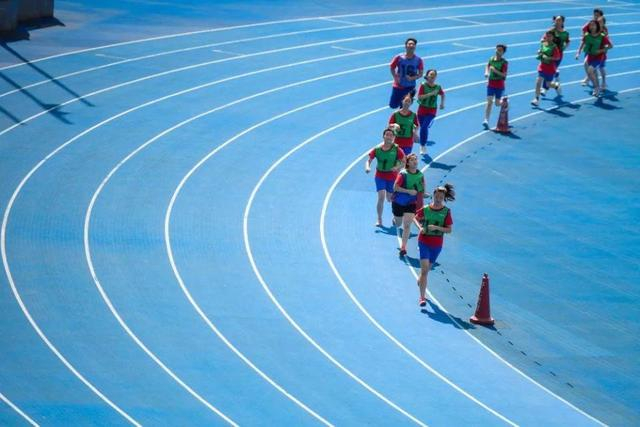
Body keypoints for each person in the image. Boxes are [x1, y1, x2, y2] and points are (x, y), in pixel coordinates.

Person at [413, 184, 454, 307]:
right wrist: (420, 228)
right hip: (424, 242)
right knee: (425, 271)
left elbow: (449, 230)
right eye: (437, 196)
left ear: (444, 198)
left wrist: (436, 227)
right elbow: (415, 218)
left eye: (441, 197)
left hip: (436, 245)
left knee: (426, 271)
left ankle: (421, 279)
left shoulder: (446, 212)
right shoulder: (426, 209)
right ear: (433, 195)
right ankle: (422, 297)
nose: (438, 199)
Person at [365, 127, 406, 227]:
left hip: (392, 176)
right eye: (387, 134)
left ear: (394, 137)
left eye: (391, 135)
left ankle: (396, 214)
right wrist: (367, 167)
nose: (389, 137)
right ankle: (379, 219)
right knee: (381, 197)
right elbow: (368, 160)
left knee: (389, 198)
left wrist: (397, 167)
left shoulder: (397, 150)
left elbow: (404, 162)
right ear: (383, 136)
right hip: (380, 175)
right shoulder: (377, 149)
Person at [392, 153, 425, 257]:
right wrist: (408, 191)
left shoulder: (420, 175)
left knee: (407, 225)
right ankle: (395, 220)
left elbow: (422, 189)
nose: (415, 161)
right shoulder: (403, 174)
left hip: (411, 203)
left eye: (416, 159)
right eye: (412, 160)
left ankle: (403, 247)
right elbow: (395, 187)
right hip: (398, 202)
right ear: (407, 163)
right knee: (398, 224)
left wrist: (423, 194)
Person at [575, 20, 612, 97]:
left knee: (590, 70)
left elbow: (610, 46)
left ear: (597, 26)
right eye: (590, 25)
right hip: (590, 56)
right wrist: (578, 52)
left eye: (593, 25)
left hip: (599, 57)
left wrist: (601, 50)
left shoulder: (602, 36)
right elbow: (582, 43)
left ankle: (598, 86)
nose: (591, 27)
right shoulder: (587, 35)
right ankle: (596, 87)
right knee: (591, 72)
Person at [416, 69, 445, 155]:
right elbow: (419, 97)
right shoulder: (423, 85)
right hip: (422, 109)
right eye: (431, 74)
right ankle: (423, 143)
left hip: (432, 110)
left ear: (436, 77)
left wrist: (442, 104)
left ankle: (422, 145)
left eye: (434, 75)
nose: (432, 76)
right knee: (423, 127)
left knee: (424, 127)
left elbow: (442, 94)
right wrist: (431, 94)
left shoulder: (438, 87)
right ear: (427, 76)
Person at [389, 38, 424, 109]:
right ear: (405, 46)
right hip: (398, 86)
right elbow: (392, 67)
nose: (411, 45)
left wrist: (412, 78)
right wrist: (395, 77)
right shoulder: (399, 57)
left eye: (413, 44)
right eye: (409, 44)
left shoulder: (418, 60)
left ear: (415, 47)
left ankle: (404, 106)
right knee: (393, 105)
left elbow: (421, 73)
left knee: (404, 106)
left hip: (410, 87)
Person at [531, 30, 561, 106]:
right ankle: (536, 99)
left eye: (550, 36)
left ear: (553, 37)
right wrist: (539, 52)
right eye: (547, 36)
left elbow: (557, 57)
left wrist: (549, 58)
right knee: (538, 82)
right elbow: (541, 51)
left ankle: (556, 86)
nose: (548, 37)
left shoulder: (554, 47)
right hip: (542, 66)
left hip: (550, 68)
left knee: (548, 84)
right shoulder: (543, 43)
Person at [541, 15, 570, 95]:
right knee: (546, 70)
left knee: (549, 70)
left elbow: (568, 41)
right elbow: (543, 38)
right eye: (556, 20)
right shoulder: (551, 31)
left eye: (559, 20)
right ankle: (555, 76)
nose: (557, 22)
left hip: (558, 54)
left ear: (562, 22)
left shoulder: (565, 33)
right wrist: (543, 42)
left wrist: (565, 47)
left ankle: (545, 88)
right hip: (548, 53)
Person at [483, 44, 508, 129]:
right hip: (491, 83)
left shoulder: (504, 62)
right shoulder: (491, 59)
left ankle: (505, 103)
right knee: (489, 102)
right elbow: (487, 65)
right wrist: (486, 72)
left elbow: (504, 75)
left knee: (497, 104)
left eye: (500, 50)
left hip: (499, 85)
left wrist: (494, 70)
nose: (497, 51)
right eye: (497, 49)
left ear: (503, 52)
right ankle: (486, 120)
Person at [579, 8, 605, 86]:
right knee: (588, 64)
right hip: (590, 48)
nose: (595, 17)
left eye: (597, 15)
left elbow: (606, 41)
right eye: (594, 15)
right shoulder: (591, 24)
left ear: (601, 17)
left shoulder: (603, 28)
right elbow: (583, 29)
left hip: (599, 51)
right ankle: (590, 79)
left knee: (600, 68)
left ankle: (603, 82)